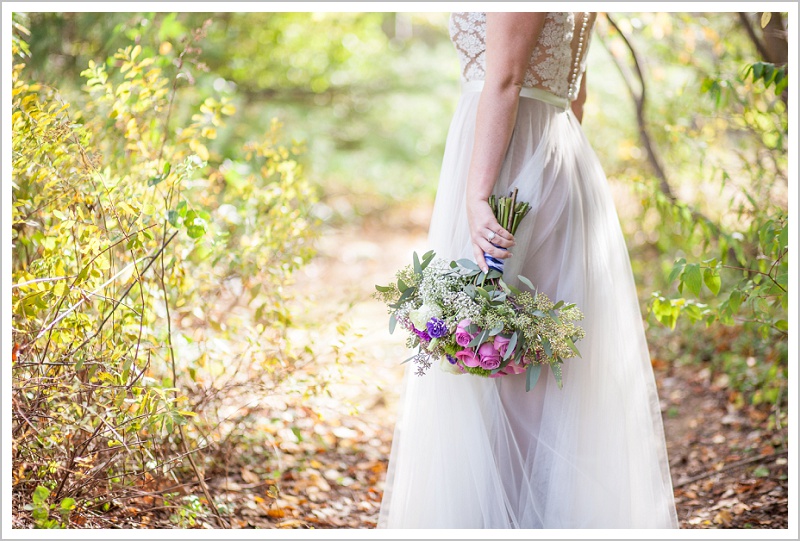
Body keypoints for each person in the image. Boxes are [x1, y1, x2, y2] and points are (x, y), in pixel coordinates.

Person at [377, 12, 679, 528]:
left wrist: (476, 196)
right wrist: (554, 176)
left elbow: (505, 79)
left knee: (498, 350)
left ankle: (504, 518)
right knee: (528, 350)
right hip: (556, 151)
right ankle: (539, 514)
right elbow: (574, 92)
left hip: (510, 161)